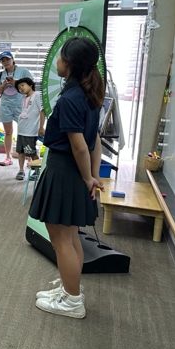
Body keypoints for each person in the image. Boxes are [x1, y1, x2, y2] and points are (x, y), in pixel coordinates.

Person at [29, 37, 104, 319]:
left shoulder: (72, 98)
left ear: (69, 64)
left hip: (65, 172)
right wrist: (92, 175)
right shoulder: (89, 94)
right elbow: (95, 141)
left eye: (61, 57)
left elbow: (80, 146)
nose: (57, 62)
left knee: (61, 239)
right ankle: (70, 288)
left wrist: (88, 178)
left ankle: (72, 301)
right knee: (70, 238)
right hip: (75, 173)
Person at [0, 50, 33, 166]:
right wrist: (4, 85)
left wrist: (15, 82)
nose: (5, 62)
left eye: (7, 59)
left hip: (20, 105)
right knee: (8, 132)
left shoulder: (23, 71)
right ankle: (8, 157)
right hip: (5, 105)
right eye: (3, 60)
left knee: (25, 132)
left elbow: (31, 88)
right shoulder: (0, 75)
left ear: (13, 59)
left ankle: (30, 158)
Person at [15, 77, 45, 181]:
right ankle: (21, 170)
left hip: (30, 131)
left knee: (31, 152)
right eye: (19, 88)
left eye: (22, 85)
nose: (21, 88)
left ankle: (37, 171)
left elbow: (42, 111)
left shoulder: (37, 95)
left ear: (30, 85)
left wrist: (41, 127)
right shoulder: (24, 98)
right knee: (20, 151)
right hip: (21, 130)